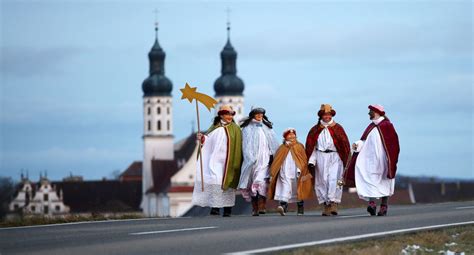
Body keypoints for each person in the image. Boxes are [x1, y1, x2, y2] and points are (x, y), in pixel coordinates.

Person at [344, 104, 400, 216]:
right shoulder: (371, 127)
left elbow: (393, 145)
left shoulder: (387, 126)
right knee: (369, 180)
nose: (369, 113)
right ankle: (372, 204)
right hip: (370, 160)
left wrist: (390, 160)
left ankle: (384, 206)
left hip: (383, 161)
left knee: (384, 182)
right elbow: (364, 141)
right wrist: (358, 144)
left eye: (371, 111)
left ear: (377, 112)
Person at [192, 105, 243, 217]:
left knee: (228, 183)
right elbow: (208, 141)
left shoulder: (236, 129)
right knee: (216, 182)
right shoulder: (215, 127)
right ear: (221, 115)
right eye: (227, 114)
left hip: (229, 162)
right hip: (215, 161)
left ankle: (227, 209)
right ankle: (215, 207)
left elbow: (239, 145)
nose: (229, 116)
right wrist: (203, 139)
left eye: (231, 114)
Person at [305, 104, 350, 216]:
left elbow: (344, 145)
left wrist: (345, 159)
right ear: (321, 116)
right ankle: (326, 204)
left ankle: (333, 202)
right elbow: (312, 147)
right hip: (320, 156)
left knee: (334, 179)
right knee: (322, 181)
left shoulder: (338, 128)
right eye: (325, 114)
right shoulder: (315, 130)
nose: (327, 117)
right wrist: (311, 160)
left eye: (329, 114)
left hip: (335, 156)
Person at [238, 107, 280, 216]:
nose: (259, 116)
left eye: (261, 114)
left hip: (265, 159)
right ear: (253, 115)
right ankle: (255, 207)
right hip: (252, 160)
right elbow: (245, 145)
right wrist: (249, 158)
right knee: (252, 183)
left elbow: (273, 142)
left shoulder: (267, 126)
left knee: (261, 182)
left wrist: (274, 155)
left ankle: (262, 205)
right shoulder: (247, 128)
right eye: (257, 114)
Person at [268, 128, 314, 216]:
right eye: (289, 135)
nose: (292, 136)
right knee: (285, 187)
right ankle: (283, 206)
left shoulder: (299, 146)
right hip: (284, 171)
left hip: (296, 171)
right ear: (285, 137)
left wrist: (301, 170)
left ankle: (300, 206)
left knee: (298, 188)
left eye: (293, 134)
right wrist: (273, 173)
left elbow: (303, 159)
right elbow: (276, 161)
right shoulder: (281, 148)